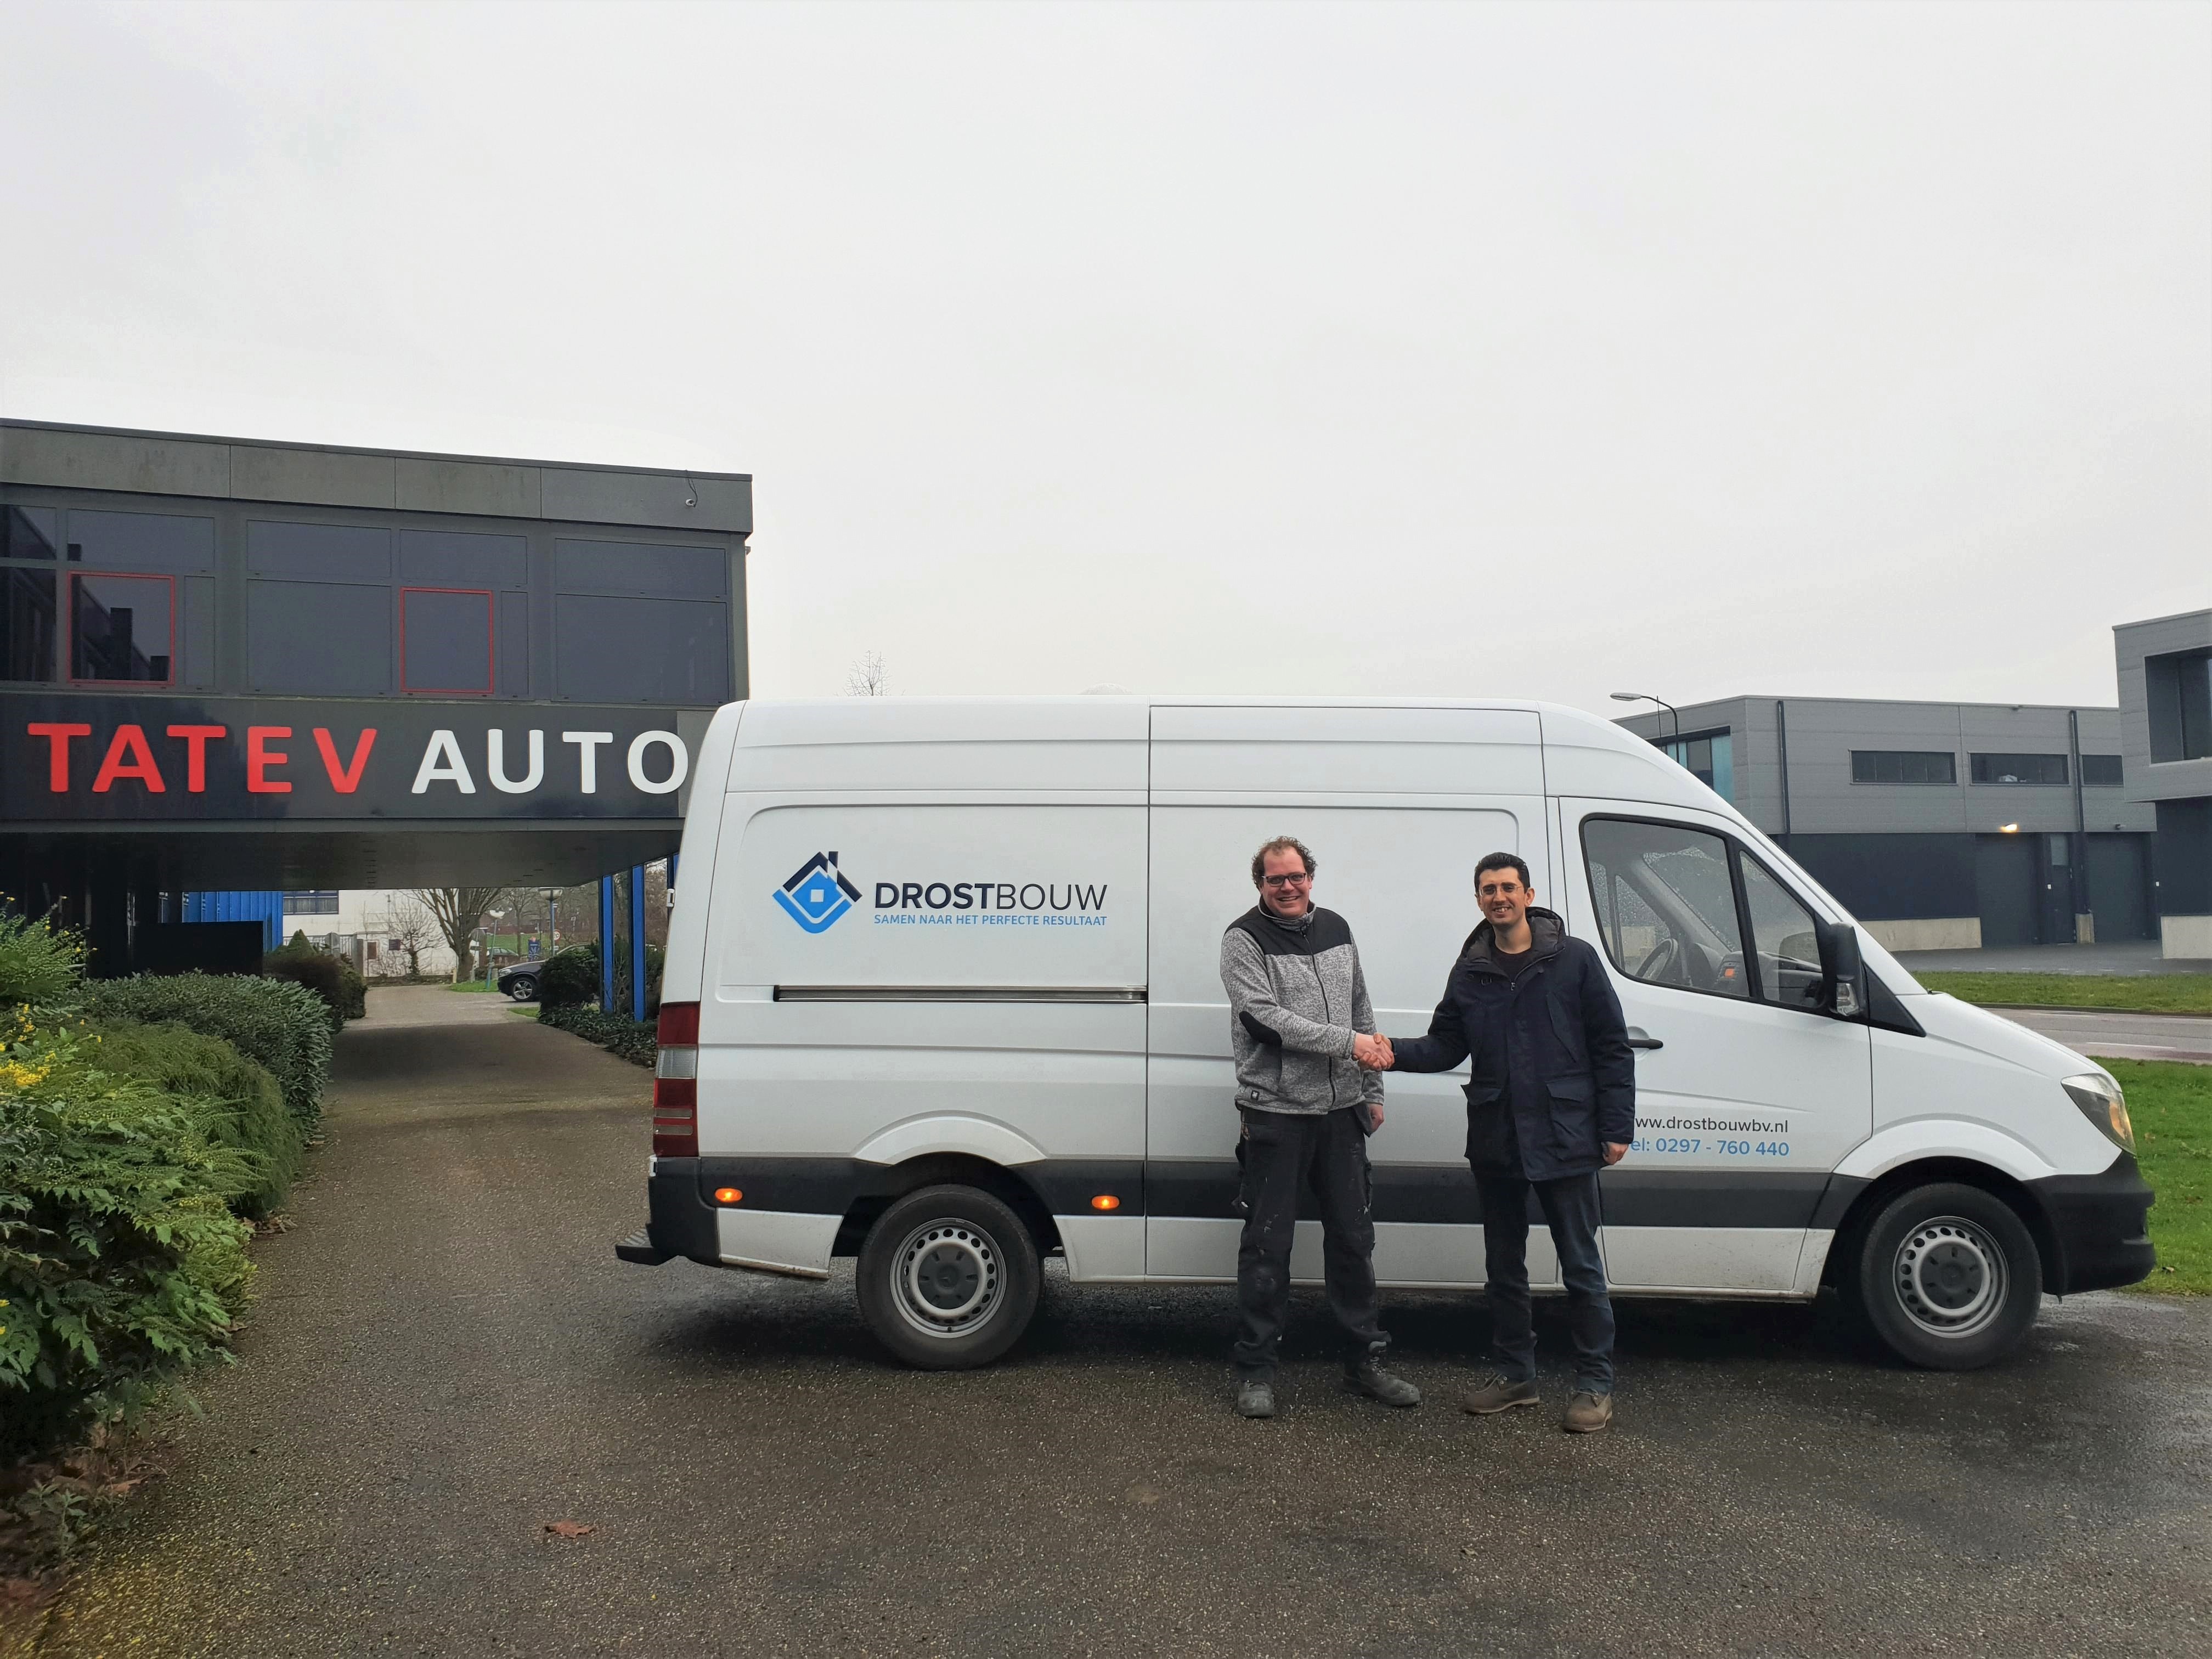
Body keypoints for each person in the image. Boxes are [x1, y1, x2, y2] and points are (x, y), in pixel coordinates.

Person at [1378, 852, 1634, 1432]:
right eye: (1489, 889)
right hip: (1498, 1137)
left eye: (1508, 888)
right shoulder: (1470, 970)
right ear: (1478, 900)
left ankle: (1594, 1386)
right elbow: (1446, 1045)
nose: (1499, 897)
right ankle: (1517, 1376)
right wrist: (1390, 1051)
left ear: (1528, 895)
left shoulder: (1574, 960)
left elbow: (1611, 1047)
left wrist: (1617, 1126)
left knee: (1581, 1267)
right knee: (1504, 1269)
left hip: (1566, 1136)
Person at [1218, 835, 1421, 1420]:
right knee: (1267, 1247)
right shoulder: (1243, 939)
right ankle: (1256, 1371)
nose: (1287, 887)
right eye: (1274, 879)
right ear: (1260, 884)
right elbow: (1265, 1021)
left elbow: (1362, 1009)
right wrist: (1350, 1045)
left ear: (1311, 877)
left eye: (1296, 876)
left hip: (1341, 1115)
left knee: (1354, 1243)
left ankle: (1364, 1364)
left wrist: (1371, 1088)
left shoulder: (1337, 927)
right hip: (1276, 1115)